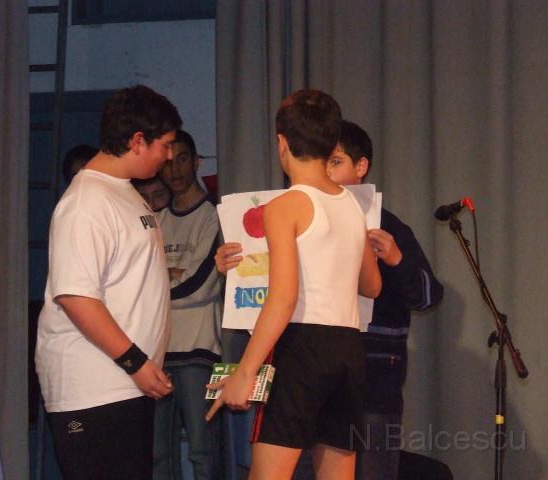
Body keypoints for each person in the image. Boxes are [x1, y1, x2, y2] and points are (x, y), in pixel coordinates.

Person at [217, 120, 444, 480]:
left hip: (369, 375)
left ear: (361, 166)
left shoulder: (382, 225)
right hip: (307, 363)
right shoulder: (295, 210)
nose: (325, 170)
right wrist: (237, 266)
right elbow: (276, 291)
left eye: (335, 162)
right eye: (323, 160)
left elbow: (425, 295)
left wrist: (396, 259)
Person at [206, 90, 382, 480]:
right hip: (348, 348)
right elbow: (372, 285)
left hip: (302, 348)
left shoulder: (285, 206)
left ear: (282, 143)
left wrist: (245, 371)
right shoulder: (353, 206)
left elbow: (283, 298)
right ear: (332, 144)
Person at [35, 85, 182, 480]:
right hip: (95, 389)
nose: (169, 155)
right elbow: (76, 297)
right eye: (165, 145)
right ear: (138, 141)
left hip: (126, 385)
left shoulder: (125, 192)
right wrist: (135, 362)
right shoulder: (86, 202)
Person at [153, 129, 223, 480]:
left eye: (182, 159)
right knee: (158, 455)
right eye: (167, 162)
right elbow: (142, 284)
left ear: (196, 162)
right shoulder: (156, 221)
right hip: (159, 354)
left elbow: (202, 287)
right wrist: (175, 273)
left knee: (202, 452)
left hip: (200, 352)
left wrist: (164, 278)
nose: (175, 170)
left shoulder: (215, 216)